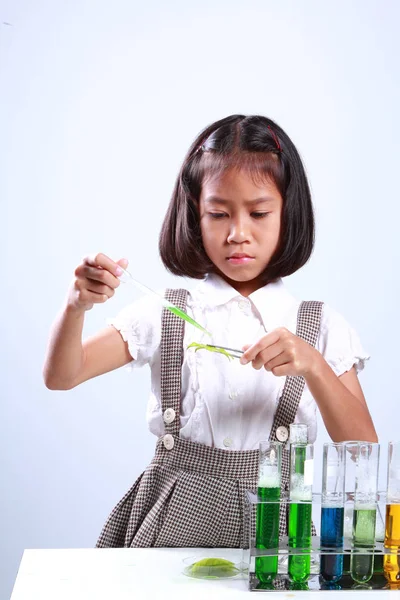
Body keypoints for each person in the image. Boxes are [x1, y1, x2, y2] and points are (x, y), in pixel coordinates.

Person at [43, 114, 377, 549]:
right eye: (218, 214)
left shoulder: (319, 326)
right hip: (168, 525)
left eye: (259, 213)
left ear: (288, 213)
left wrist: (313, 366)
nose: (238, 233)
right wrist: (77, 305)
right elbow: (63, 375)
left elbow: (361, 446)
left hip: (273, 532)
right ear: (195, 216)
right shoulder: (167, 313)